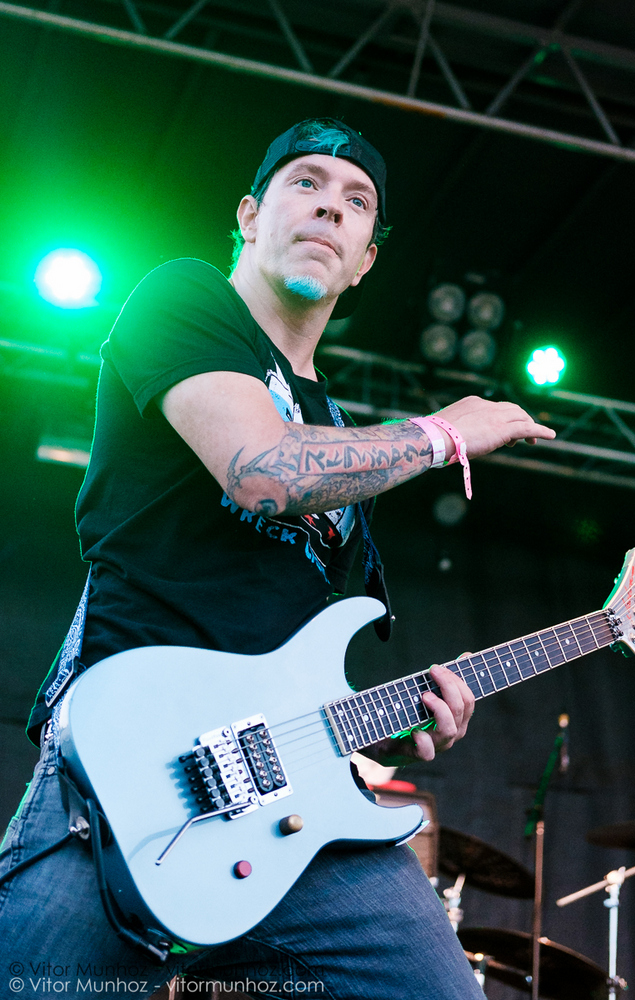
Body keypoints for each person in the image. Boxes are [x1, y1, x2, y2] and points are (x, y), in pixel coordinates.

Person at [0, 117, 555, 998]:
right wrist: (442, 433)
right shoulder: (183, 300)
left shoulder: (339, 431)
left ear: (366, 259)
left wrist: (392, 723)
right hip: (126, 773)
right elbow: (260, 471)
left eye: (357, 201)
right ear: (250, 215)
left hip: (288, 807)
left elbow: (294, 653)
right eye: (306, 183)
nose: (331, 207)